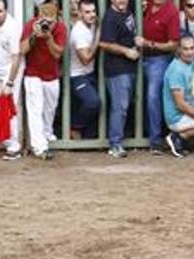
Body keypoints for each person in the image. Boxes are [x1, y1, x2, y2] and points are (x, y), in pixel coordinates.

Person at [20, 1, 66, 161]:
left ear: (56, 19)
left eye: (51, 21)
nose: (47, 24)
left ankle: (45, 135)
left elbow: (58, 54)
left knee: (50, 109)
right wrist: (33, 35)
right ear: (38, 18)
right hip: (33, 74)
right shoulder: (30, 25)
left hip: (52, 75)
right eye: (44, 20)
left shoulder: (60, 28)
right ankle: (39, 147)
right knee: (35, 109)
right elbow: (22, 50)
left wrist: (48, 38)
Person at [136, 0, 180, 155]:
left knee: (153, 96)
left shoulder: (171, 10)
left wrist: (149, 44)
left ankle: (155, 141)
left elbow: (173, 44)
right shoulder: (144, 5)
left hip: (159, 59)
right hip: (137, 57)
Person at [99, 0, 139, 158]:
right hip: (117, 68)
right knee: (120, 106)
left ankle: (117, 141)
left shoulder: (128, 12)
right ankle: (115, 144)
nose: (122, 1)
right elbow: (104, 43)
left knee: (124, 105)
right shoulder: (110, 17)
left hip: (129, 67)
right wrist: (126, 51)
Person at [0, 0, 23, 160]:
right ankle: (1, 137)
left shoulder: (12, 28)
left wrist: (10, 83)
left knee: (9, 107)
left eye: (0, 11)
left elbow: (17, 58)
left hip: (11, 68)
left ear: (6, 11)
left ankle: (14, 147)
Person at [69, 0, 100, 140]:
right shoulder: (78, 31)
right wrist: (98, 40)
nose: (91, 15)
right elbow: (85, 59)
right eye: (87, 12)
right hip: (77, 76)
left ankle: (88, 142)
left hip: (91, 73)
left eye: (93, 11)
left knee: (94, 109)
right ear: (80, 14)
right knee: (93, 102)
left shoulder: (93, 24)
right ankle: (74, 126)